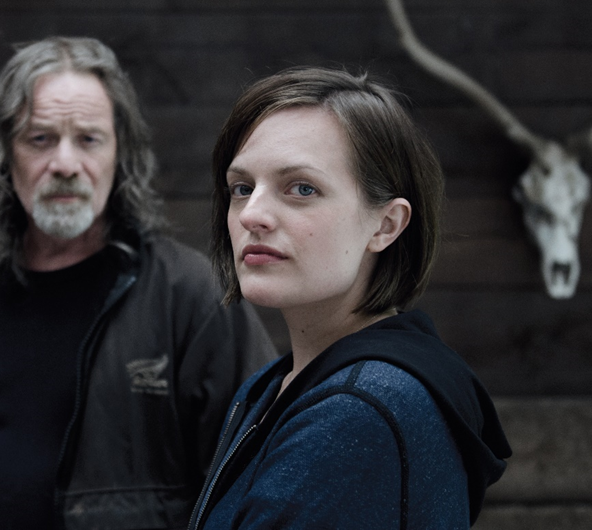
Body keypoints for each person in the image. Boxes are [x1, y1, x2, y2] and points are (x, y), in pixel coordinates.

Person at [0, 36, 277, 530]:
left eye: (88, 139)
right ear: (4, 155)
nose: (65, 164)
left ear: (120, 154)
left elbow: (257, 460)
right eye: (40, 139)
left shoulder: (191, 293)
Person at [187, 67, 512, 530]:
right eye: (242, 188)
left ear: (386, 225)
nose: (251, 214)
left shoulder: (356, 411)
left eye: (302, 188)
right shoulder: (271, 385)